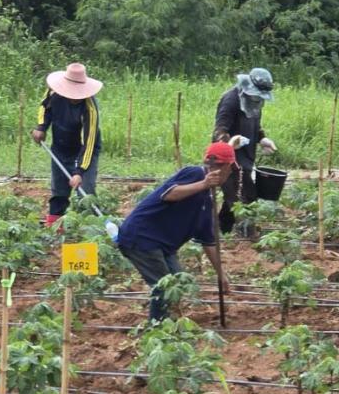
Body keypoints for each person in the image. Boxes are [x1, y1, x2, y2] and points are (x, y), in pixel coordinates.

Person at [115, 142, 235, 322]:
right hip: (141, 238)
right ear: (226, 167)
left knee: (178, 283)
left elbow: (209, 242)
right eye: (230, 168)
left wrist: (221, 274)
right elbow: (169, 194)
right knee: (164, 287)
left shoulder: (207, 201)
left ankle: (169, 321)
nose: (231, 173)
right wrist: (203, 184)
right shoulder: (195, 174)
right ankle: (158, 329)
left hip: (163, 245)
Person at [30, 62, 102, 226]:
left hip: (84, 150)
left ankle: (91, 229)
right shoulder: (54, 91)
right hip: (60, 146)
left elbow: (89, 143)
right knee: (59, 190)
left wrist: (79, 171)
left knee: (85, 191)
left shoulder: (89, 109)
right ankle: (55, 227)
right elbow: (44, 108)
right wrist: (41, 127)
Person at [213, 67, 277, 235]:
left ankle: (221, 232)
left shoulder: (255, 101)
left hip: (246, 158)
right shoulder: (231, 100)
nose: (258, 99)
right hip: (228, 160)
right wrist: (231, 142)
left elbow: (256, 126)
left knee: (232, 200)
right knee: (245, 199)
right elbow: (219, 131)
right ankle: (247, 237)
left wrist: (262, 139)